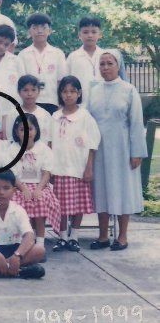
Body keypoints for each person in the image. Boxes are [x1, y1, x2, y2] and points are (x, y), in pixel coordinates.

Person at [88, 52, 147, 251]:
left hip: (122, 149)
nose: (105, 67)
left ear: (118, 65)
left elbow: (137, 123)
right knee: (101, 190)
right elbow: (87, 122)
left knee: (122, 191)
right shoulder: (93, 90)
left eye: (109, 63)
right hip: (99, 149)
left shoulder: (129, 90)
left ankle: (122, 236)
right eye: (102, 64)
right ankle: (103, 236)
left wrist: (136, 152)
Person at [51, 76, 100, 253]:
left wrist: (88, 167)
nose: (69, 95)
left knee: (77, 205)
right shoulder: (55, 116)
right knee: (61, 206)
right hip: (60, 168)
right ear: (60, 94)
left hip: (78, 168)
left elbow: (93, 144)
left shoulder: (85, 116)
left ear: (79, 93)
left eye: (72, 91)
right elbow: (50, 143)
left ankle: (74, 237)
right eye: (65, 91)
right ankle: (62, 236)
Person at [9, 114, 61, 244]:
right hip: (18, 185)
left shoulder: (43, 149)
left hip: (39, 184)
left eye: (30, 129)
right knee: (16, 201)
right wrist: (23, 188)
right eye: (22, 129)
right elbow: (12, 175)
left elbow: (46, 173)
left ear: (36, 130)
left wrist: (38, 189)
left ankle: (40, 242)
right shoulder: (12, 149)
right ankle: (21, 241)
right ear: (16, 131)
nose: (27, 133)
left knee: (40, 199)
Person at [67, 16, 125, 104]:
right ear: (79, 35)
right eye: (85, 32)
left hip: (105, 103)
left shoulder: (106, 56)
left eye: (94, 32)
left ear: (100, 34)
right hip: (80, 104)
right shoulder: (73, 57)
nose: (90, 35)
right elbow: (67, 82)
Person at [18, 13, 67, 114]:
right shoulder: (23, 55)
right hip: (30, 103)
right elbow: (21, 83)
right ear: (29, 31)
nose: (39, 31)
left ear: (49, 30)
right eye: (35, 28)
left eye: (43, 27)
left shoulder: (58, 53)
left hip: (52, 102)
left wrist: (61, 105)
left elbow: (61, 82)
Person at [5, 75, 52, 146]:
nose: (29, 94)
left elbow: (49, 141)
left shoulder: (45, 115)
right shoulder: (13, 114)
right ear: (19, 92)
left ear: (38, 91)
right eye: (25, 90)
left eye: (33, 90)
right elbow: (10, 139)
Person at [0, 25, 25, 102]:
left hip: (12, 105)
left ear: (10, 45)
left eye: (6, 44)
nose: (1, 46)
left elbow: (23, 84)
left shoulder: (16, 61)